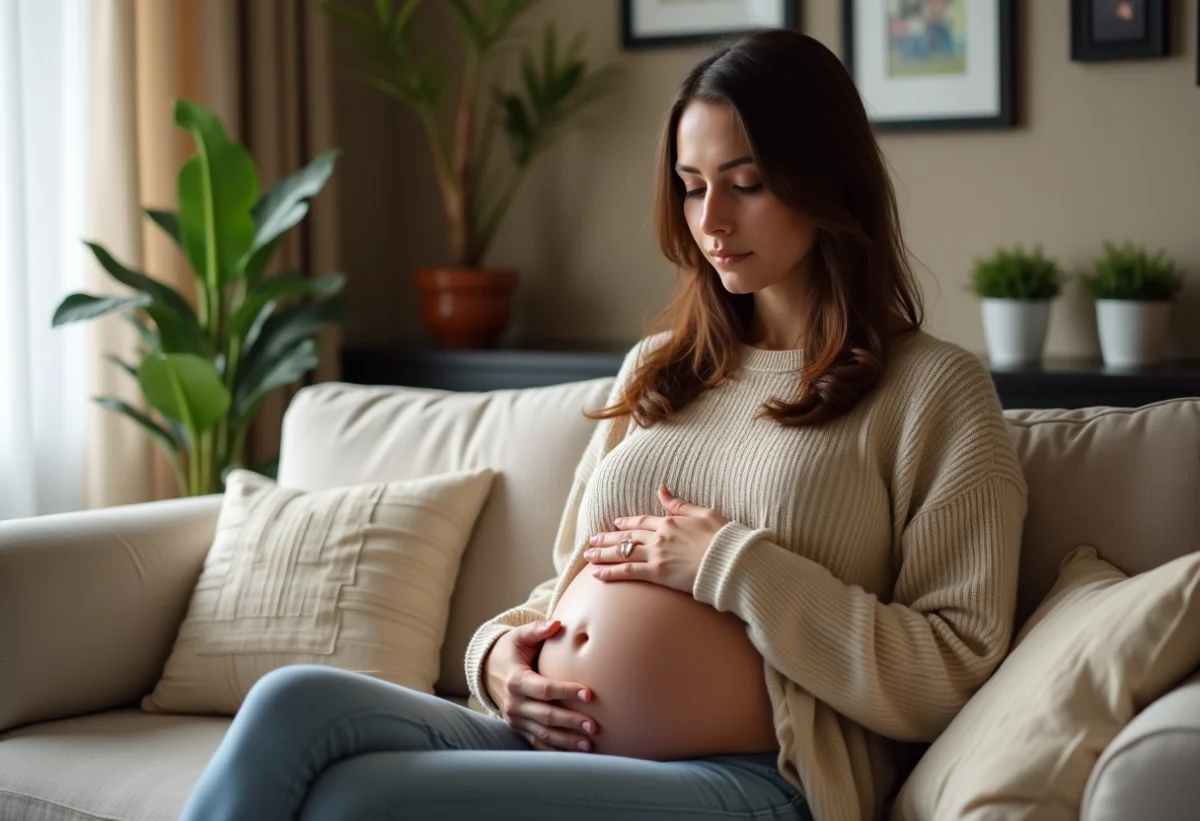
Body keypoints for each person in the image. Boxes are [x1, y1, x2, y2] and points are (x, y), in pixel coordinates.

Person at [179, 28, 1026, 821]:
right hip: (554, 736)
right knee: (292, 701)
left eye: (746, 184)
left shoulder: (931, 390)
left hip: (758, 775)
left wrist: (731, 563)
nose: (711, 222)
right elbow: (565, 584)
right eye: (691, 187)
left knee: (356, 799)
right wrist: (496, 660)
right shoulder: (662, 366)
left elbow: (953, 665)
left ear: (828, 180)